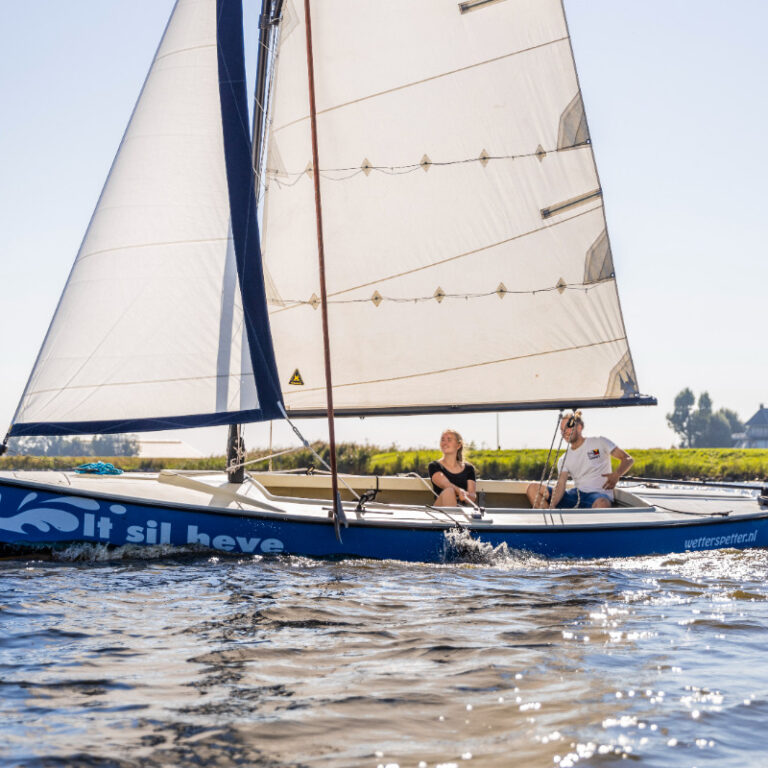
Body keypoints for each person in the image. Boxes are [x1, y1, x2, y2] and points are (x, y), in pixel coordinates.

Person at [526, 411, 634, 510]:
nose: (564, 432)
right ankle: (551, 525)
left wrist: (617, 474)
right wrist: (552, 506)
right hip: (575, 495)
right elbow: (561, 485)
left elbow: (628, 459)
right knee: (532, 488)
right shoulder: (564, 458)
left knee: (602, 504)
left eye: (568, 427)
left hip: (597, 496)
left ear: (579, 427)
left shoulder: (599, 442)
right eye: (562, 429)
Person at [428, 429, 477, 507]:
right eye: (442, 440)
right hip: (440, 511)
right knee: (449, 491)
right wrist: (459, 491)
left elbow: (472, 496)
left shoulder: (469, 468)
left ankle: (456, 516)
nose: (444, 443)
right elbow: (445, 484)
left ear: (458, 445)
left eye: (449, 440)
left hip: (462, 511)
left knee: (450, 490)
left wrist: (466, 496)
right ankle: (454, 517)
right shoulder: (434, 466)